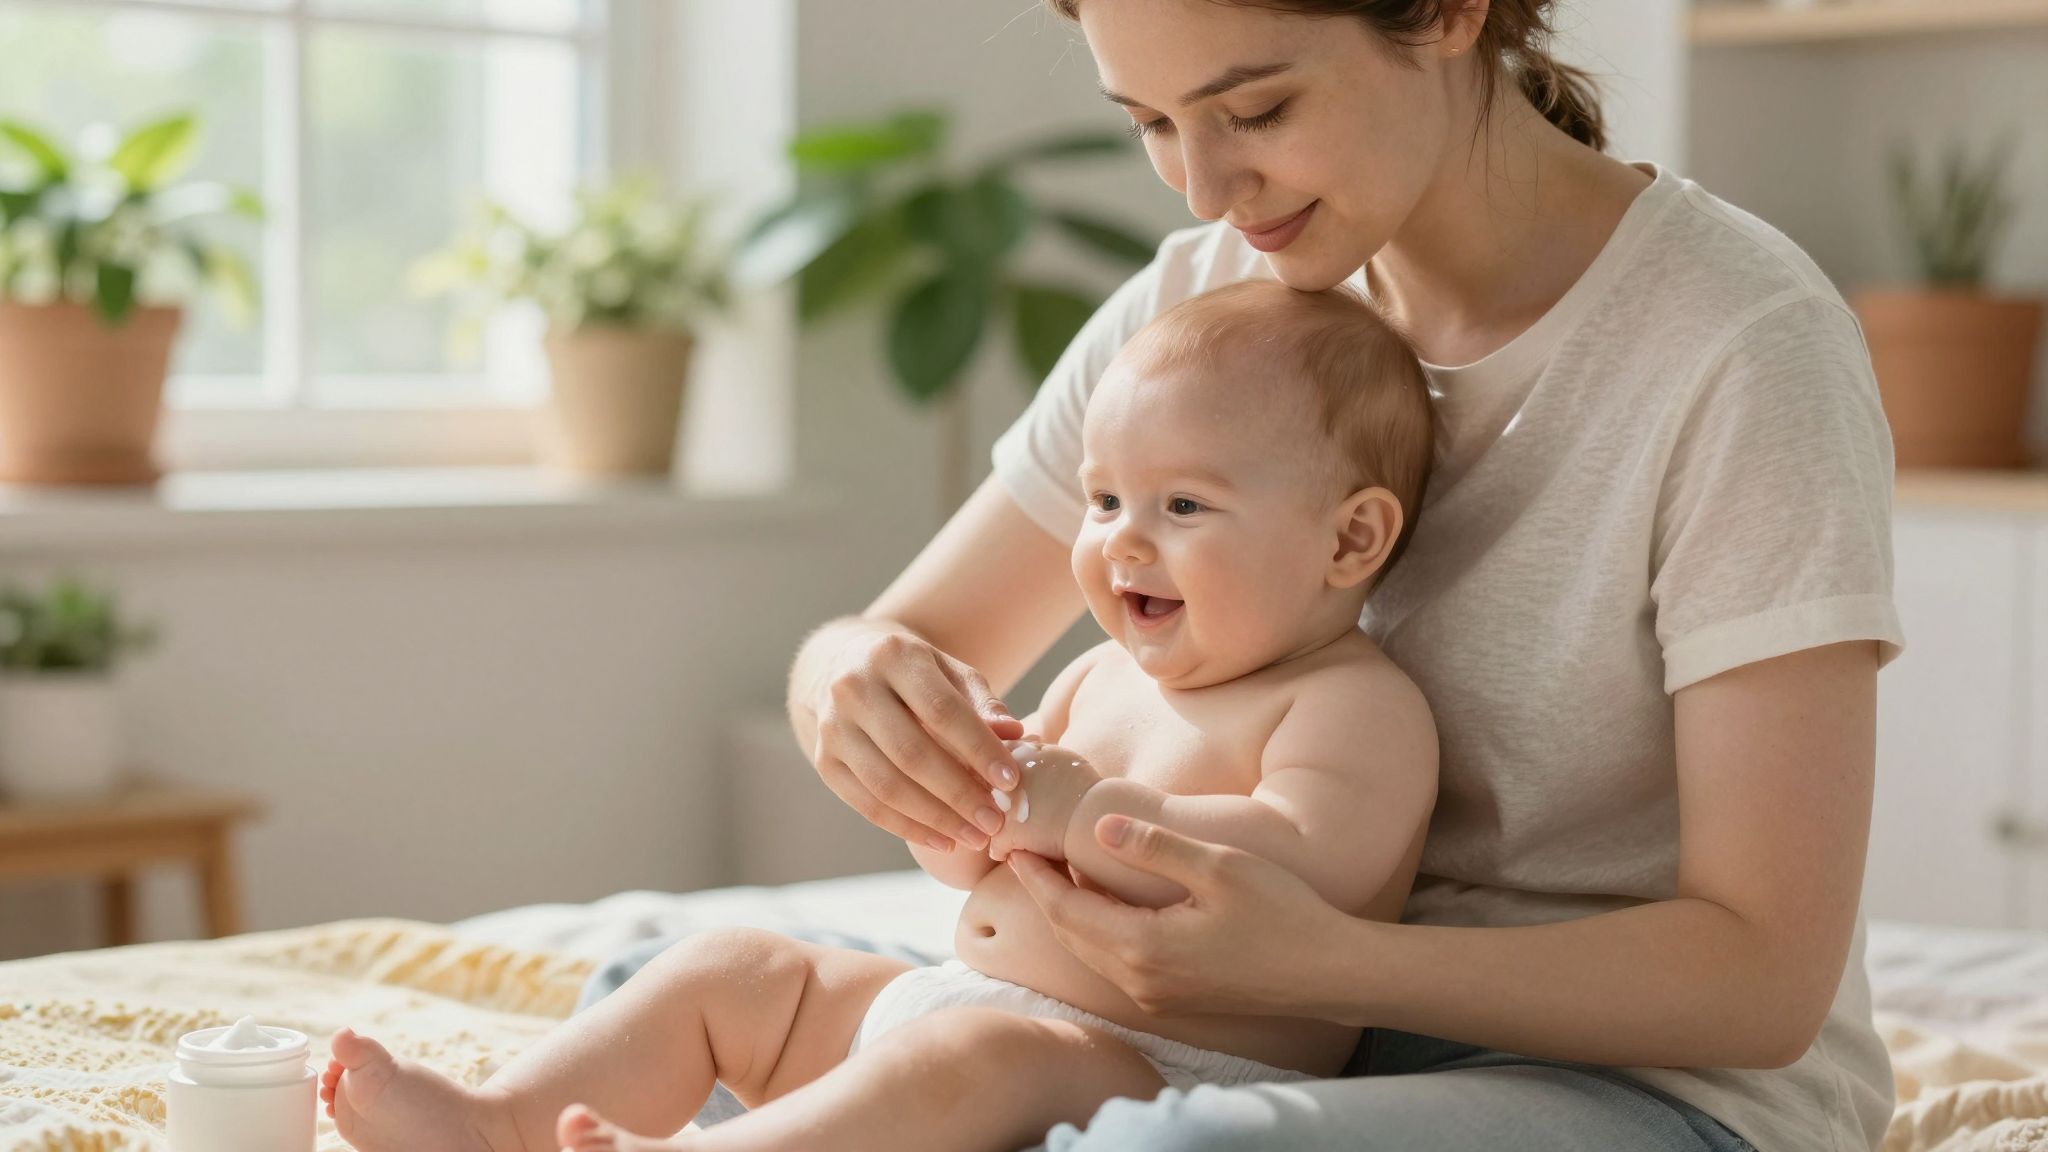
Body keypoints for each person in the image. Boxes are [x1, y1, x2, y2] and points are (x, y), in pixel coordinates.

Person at [775, 1, 1905, 1150]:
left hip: (1651, 1093)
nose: (1205, 190)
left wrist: (1330, 965)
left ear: (1450, 14)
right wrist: (855, 681)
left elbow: (1761, 981)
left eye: (1255, 110)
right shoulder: (1210, 301)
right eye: (1152, 125)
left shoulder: (1738, 344)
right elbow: (901, 639)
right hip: (1275, 1054)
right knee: (686, 1004)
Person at [314, 281, 1442, 1152]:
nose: (1118, 541)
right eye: (1102, 500)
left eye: (1183, 505)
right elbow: (987, 871)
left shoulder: (1350, 706)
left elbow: (1305, 868)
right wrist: (955, 818)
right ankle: (501, 1125)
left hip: (1158, 1072)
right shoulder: (1100, 676)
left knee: (976, 1053)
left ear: (1349, 539)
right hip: (964, 1008)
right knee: (735, 968)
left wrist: (1078, 813)